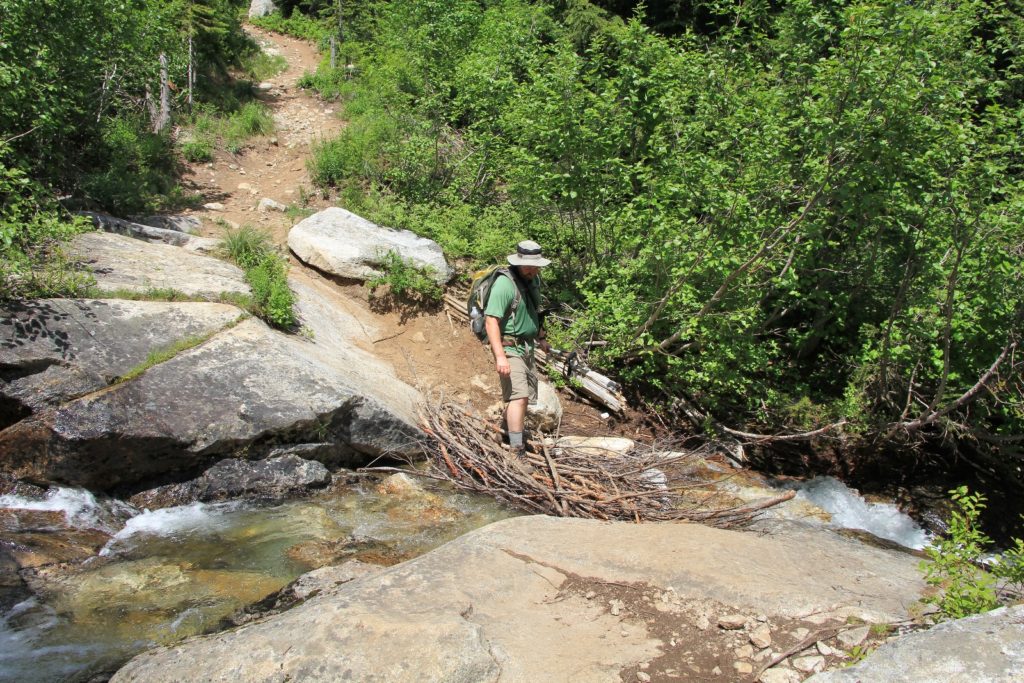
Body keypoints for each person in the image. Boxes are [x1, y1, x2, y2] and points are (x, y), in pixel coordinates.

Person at [484, 240, 551, 455]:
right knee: (519, 397)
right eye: (528, 266)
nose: (532, 269)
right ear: (518, 263)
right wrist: (500, 356)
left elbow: (532, 310)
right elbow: (491, 320)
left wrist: (541, 337)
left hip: (527, 348)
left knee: (525, 398)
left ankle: (503, 430)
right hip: (509, 347)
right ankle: (516, 451)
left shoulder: (533, 280)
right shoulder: (505, 284)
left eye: (535, 265)